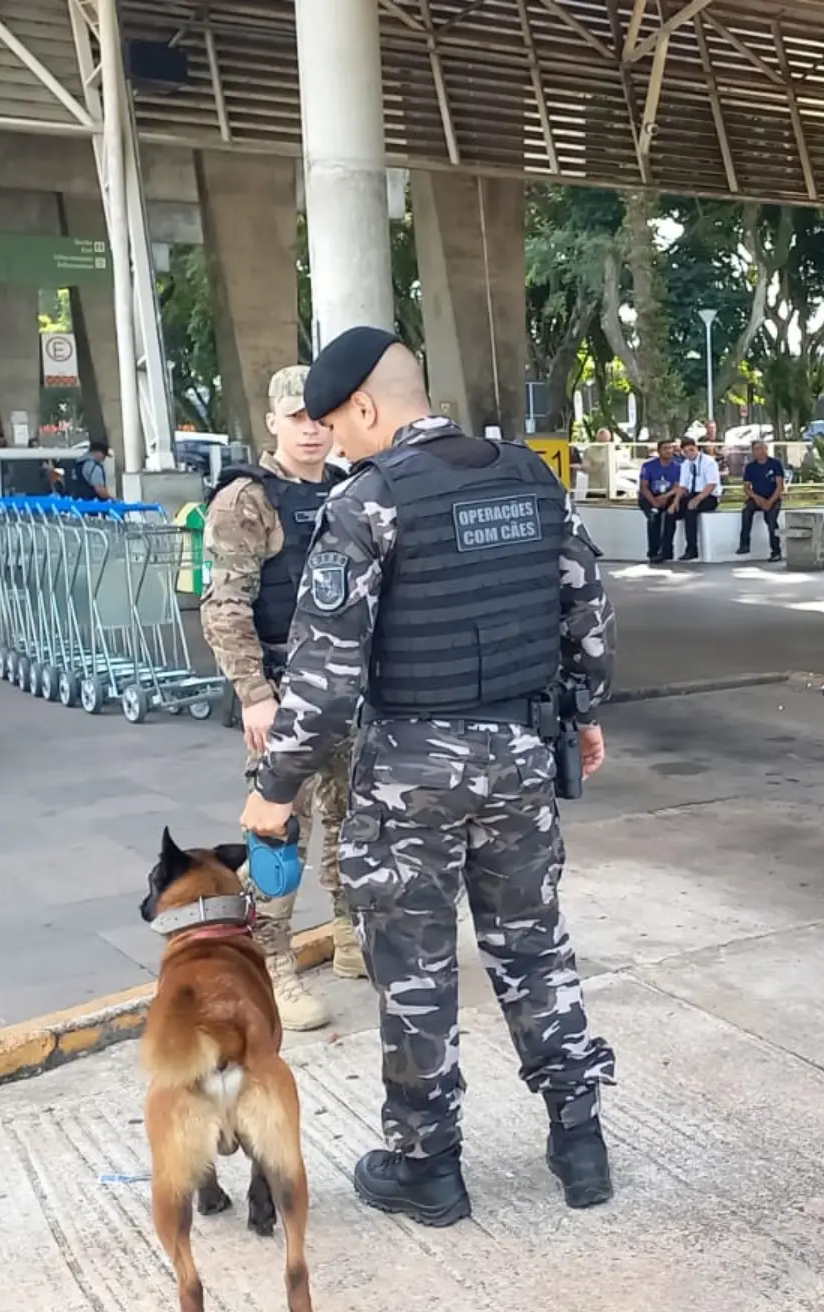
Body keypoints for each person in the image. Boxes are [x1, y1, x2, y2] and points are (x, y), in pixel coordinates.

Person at [241, 328, 616, 1227]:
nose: (332, 443)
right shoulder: (531, 479)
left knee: (414, 969)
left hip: (411, 774)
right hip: (522, 757)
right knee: (534, 946)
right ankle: (580, 1138)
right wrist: (584, 711)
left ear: (365, 408)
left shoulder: (368, 503)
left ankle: (428, 1165)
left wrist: (277, 783)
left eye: (335, 425)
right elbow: (589, 610)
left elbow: (325, 677)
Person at [201, 365, 364, 1031]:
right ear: (272, 420)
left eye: (321, 417)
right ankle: (274, 966)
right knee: (277, 834)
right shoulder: (246, 501)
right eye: (297, 417)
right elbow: (224, 607)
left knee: (358, 821)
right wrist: (254, 695)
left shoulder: (352, 493)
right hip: (286, 696)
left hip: (350, 693)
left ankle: (354, 941)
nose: (311, 429)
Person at [675, 435, 722, 561]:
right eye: (685, 452)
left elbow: (711, 484)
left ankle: (692, 549)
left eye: (691, 450)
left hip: (708, 496)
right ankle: (666, 549)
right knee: (670, 513)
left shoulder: (709, 462)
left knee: (690, 512)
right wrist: (674, 503)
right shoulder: (685, 464)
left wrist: (697, 499)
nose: (689, 454)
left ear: (697, 448)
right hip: (692, 493)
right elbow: (682, 486)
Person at [738, 440, 785, 561]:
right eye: (758, 449)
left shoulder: (775, 464)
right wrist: (757, 499)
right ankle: (744, 544)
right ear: (753, 451)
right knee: (746, 511)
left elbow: (780, 486)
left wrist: (769, 502)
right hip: (756, 497)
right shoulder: (750, 467)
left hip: (773, 497)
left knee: (771, 520)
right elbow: (747, 488)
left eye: (763, 448)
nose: (761, 451)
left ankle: (776, 551)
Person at [638, 439, 682, 562]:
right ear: (659, 451)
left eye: (670, 448)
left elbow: (678, 487)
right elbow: (644, 487)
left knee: (669, 516)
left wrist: (666, 497)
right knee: (653, 517)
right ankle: (653, 552)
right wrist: (654, 502)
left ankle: (666, 551)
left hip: (668, 496)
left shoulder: (678, 467)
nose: (669, 451)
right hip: (650, 496)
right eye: (665, 448)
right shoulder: (648, 466)